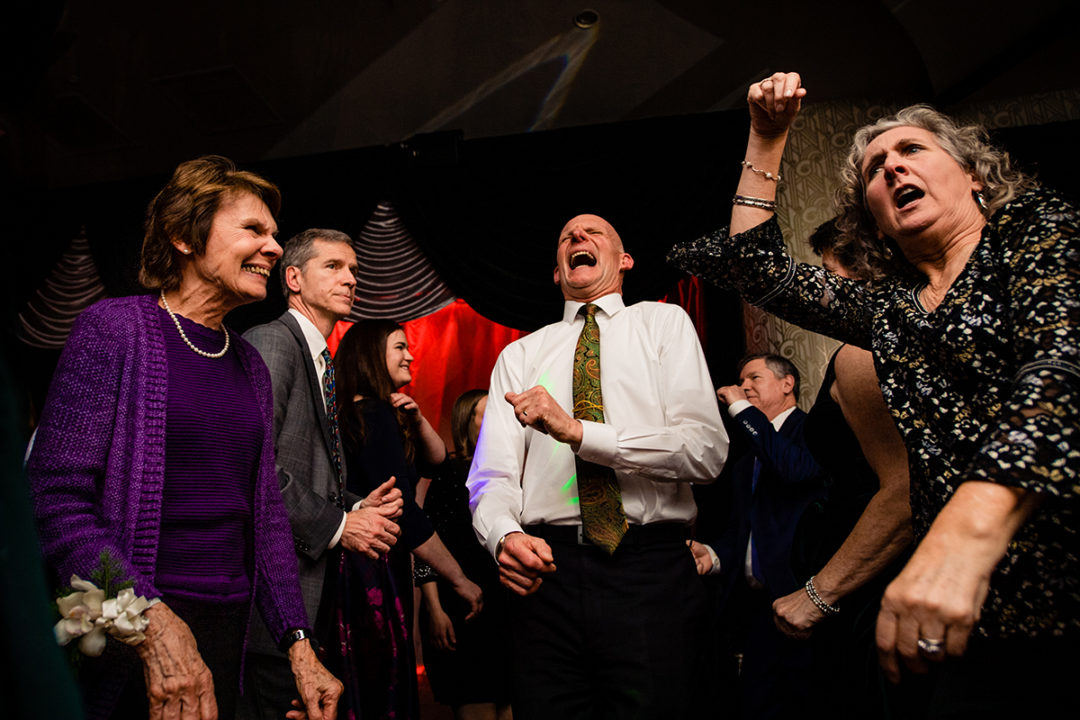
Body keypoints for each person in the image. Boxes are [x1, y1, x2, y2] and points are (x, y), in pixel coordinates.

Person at [668, 72, 1079, 716]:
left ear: (973, 174)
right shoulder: (889, 309)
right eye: (873, 169)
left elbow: (1060, 371)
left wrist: (962, 535)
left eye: (910, 151)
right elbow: (756, 268)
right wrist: (767, 136)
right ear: (877, 223)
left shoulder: (1034, 228)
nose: (889, 167)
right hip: (976, 625)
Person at [26, 155, 342, 720]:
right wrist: (149, 620)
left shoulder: (247, 363)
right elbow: (56, 499)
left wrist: (299, 644)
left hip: (227, 633)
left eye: (275, 233)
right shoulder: (115, 330)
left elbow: (266, 518)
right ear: (182, 236)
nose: (274, 246)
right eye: (253, 229)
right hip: (138, 632)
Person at [467, 213, 729, 720]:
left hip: (648, 572)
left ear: (624, 261)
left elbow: (706, 452)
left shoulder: (663, 324)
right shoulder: (519, 354)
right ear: (557, 271)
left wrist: (580, 434)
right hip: (548, 579)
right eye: (566, 236)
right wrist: (503, 537)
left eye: (594, 234)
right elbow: (492, 477)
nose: (577, 238)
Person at [239, 228, 405, 720]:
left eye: (353, 269)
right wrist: (340, 526)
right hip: (272, 602)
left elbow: (300, 466)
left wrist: (355, 504)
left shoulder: (318, 357)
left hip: (308, 598)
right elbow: (255, 463)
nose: (350, 278)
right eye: (333, 266)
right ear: (292, 277)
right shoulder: (273, 340)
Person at [770, 220, 914, 719]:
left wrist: (818, 594)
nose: (821, 290)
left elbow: (903, 492)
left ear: (863, 276)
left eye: (829, 274)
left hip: (869, 582)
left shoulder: (864, 355)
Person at [333, 319, 483, 720]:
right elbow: (408, 516)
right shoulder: (375, 414)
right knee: (383, 690)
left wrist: (416, 419)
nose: (410, 355)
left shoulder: (361, 411)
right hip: (373, 570)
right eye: (399, 347)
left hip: (363, 568)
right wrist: (460, 580)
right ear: (371, 356)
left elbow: (438, 463)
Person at [690, 354, 827, 719]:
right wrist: (713, 553)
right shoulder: (745, 461)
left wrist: (739, 408)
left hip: (806, 602)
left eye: (754, 377)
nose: (744, 386)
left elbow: (794, 471)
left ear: (787, 384)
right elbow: (744, 531)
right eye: (740, 380)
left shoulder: (813, 431)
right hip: (756, 610)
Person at [416, 389, 513, 720]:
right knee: (477, 704)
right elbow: (426, 546)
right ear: (465, 423)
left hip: (505, 610)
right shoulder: (451, 474)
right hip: (463, 611)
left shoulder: (512, 474)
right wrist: (434, 611)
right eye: (486, 413)